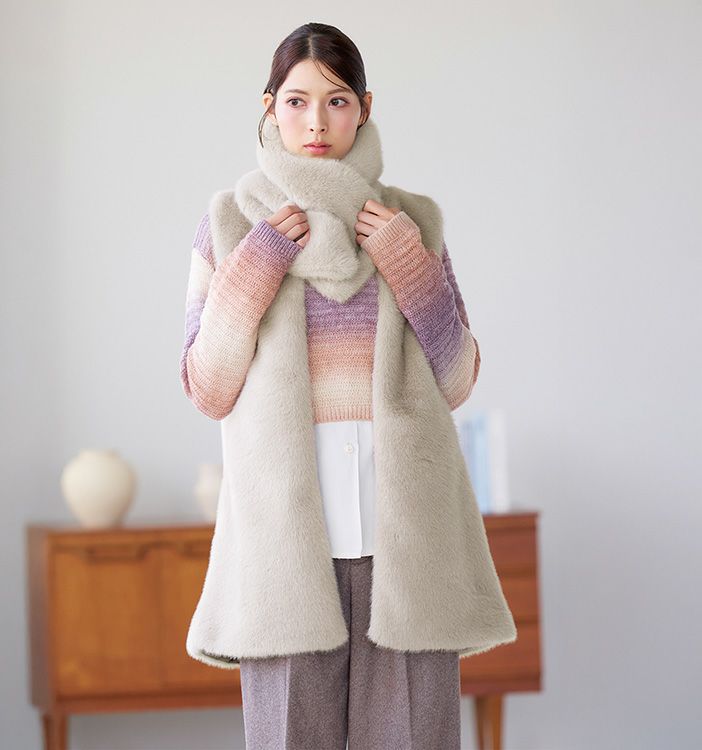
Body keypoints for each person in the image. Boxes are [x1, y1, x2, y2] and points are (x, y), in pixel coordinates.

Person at [180, 21, 516, 750]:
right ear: (269, 107)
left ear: (365, 108)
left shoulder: (411, 222)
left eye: (335, 102)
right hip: (283, 548)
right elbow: (208, 387)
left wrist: (407, 261)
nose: (316, 123)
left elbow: (457, 378)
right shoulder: (231, 223)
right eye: (296, 101)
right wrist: (258, 263)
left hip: (410, 546)